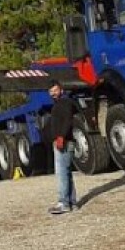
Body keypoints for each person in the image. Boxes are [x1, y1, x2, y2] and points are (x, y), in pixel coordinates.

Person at [47, 81, 79, 215]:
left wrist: (61, 137)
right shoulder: (57, 105)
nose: (53, 93)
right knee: (66, 172)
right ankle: (72, 202)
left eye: (55, 90)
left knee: (61, 173)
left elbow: (67, 120)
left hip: (64, 142)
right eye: (51, 91)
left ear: (61, 90)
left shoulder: (65, 103)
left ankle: (63, 203)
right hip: (63, 141)